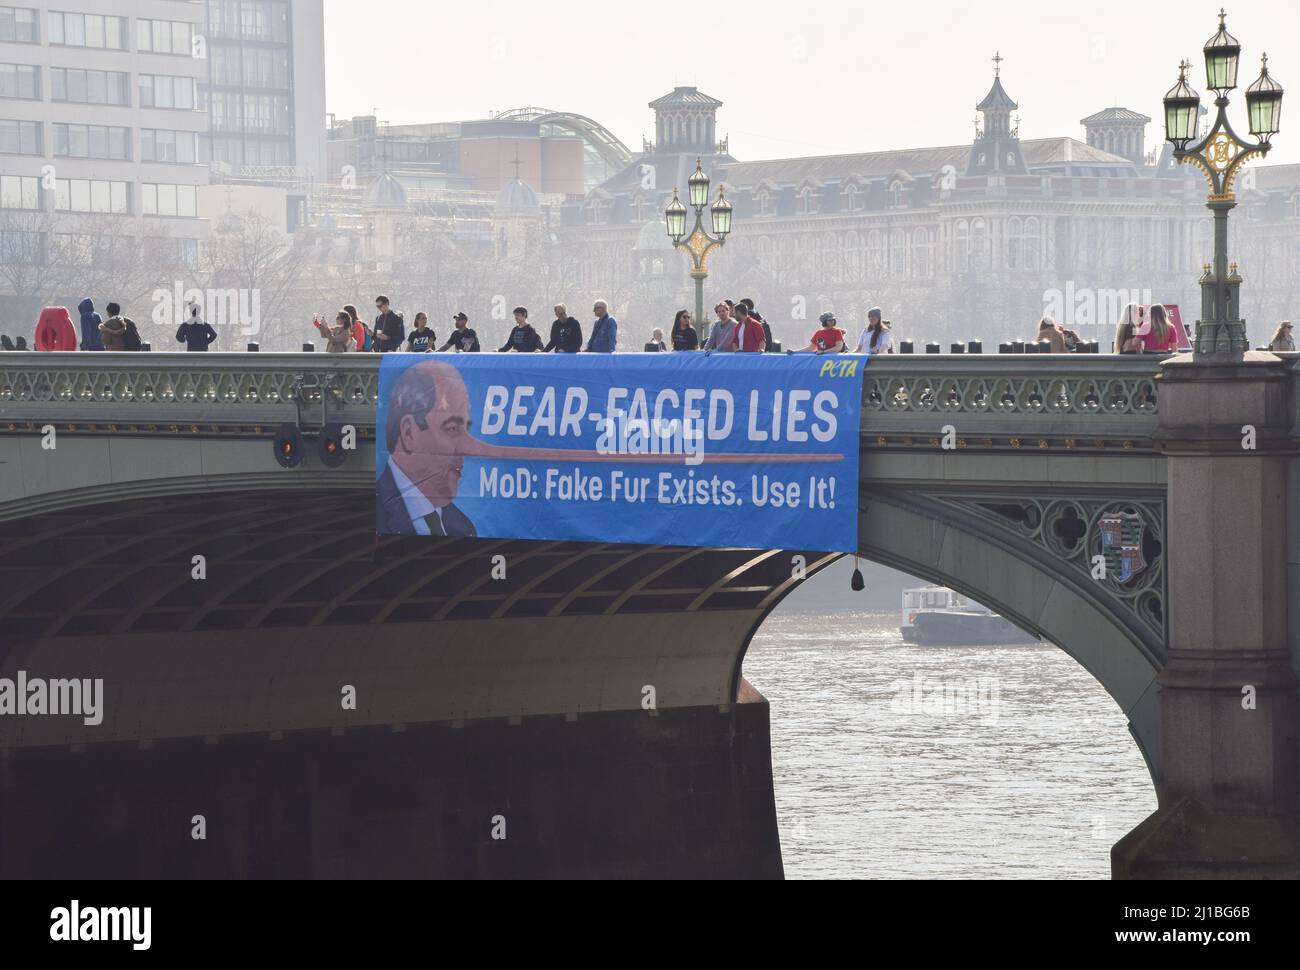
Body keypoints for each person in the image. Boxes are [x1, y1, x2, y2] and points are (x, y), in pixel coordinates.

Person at [377, 360, 478, 537]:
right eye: (453, 429)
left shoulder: (463, 527)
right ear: (408, 432)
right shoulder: (374, 512)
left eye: (466, 431)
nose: (466, 447)